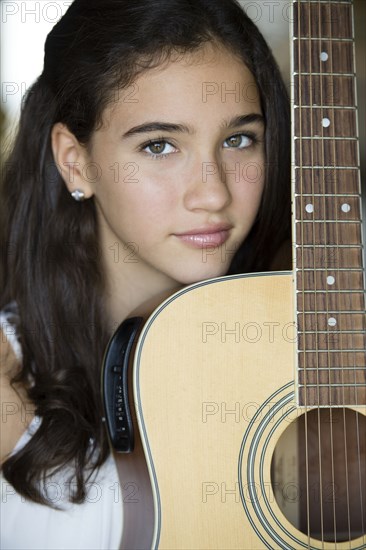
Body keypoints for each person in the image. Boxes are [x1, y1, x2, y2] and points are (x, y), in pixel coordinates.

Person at [0, 0, 290, 548]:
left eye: (238, 139)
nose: (214, 193)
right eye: (159, 146)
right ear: (75, 161)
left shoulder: (317, 356)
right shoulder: (8, 376)